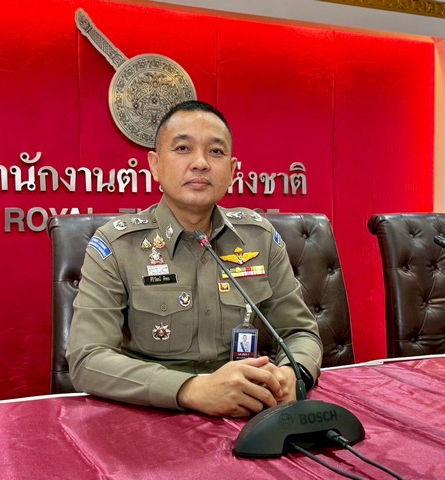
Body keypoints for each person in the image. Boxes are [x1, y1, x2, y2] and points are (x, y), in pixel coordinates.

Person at [67, 100, 323, 418]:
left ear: (232, 171)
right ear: (155, 165)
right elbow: (87, 358)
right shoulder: (116, 245)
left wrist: (293, 375)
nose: (200, 163)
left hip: (250, 412)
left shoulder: (259, 237)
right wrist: (190, 389)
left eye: (215, 151)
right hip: (153, 416)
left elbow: (300, 333)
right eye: (183, 148)